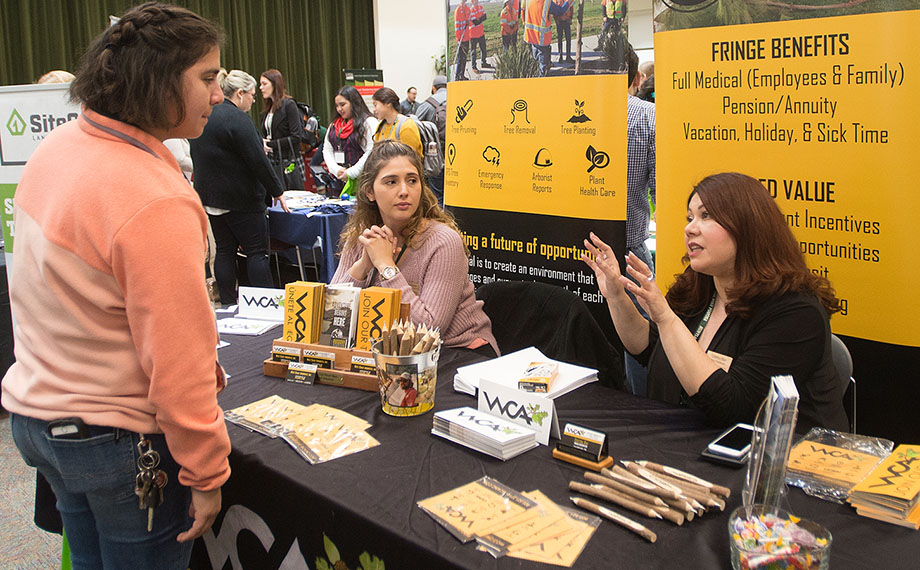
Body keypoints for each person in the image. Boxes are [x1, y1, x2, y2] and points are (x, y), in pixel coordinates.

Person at [1, 3, 232, 568]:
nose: (218, 96)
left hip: (40, 420)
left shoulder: (56, 149)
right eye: (206, 78)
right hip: (116, 442)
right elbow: (178, 360)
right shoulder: (153, 196)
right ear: (157, 80)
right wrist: (206, 470)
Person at [582, 173, 849, 433]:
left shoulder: (796, 312)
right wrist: (616, 296)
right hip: (691, 448)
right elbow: (650, 350)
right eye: (689, 217)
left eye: (706, 215)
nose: (689, 228)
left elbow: (734, 409)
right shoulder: (700, 287)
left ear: (747, 225)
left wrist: (665, 316)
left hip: (783, 466)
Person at [330, 140, 498, 357]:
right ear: (369, 192)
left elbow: (430, 330)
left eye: (412, 180)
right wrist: (363, 265)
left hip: (457, 351)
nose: (404, 191)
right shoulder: (362, 236)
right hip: (393, 352)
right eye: (391, 182)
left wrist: (386, 266)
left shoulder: (443, 241)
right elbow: (333, 315)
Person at [190, 69, 289, 305]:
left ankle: (227, 302)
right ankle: (267, 305)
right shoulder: (238, 119)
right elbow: (257, 160)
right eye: (252, 95)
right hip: (241, 199)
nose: (254, 100)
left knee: (224, 251)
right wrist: (277, 191)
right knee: (256, 253)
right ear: (240, 93)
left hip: (211, 198)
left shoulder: (206, 114)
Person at [622, 43, 657, 396]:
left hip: (563, 251)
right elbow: (662, 190)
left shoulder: (563, 112)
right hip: (627, 254)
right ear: (636, 78)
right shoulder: (647, 117)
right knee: (642, 346)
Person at [322, 85, 377, 195]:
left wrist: (352, 172)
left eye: (343, 105)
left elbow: (371, 151)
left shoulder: (369, 122)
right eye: (337, 106)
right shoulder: (334, 125)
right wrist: (336, 170)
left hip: (362, 182)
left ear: (354, 103)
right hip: (338, 180)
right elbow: (327, 150)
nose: (339, 109)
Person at [259, 68, 306, 190]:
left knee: (293, 195)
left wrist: (269, 143)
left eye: (264, 84)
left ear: (275, 84)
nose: (261, 88)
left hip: (288, 159)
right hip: (271, 159)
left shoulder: (289, 105)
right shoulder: (267, 109)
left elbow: (296, 136)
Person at [415, 76, 448, 204]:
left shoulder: (427, 105)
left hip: (435, 161)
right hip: (458, 159)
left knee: (436, 198)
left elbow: (415, 129)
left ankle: (440, 222)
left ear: (434, 89)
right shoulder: (459, 101)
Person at [372, 87, 424, 159]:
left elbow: (412, 159)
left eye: (375, 105)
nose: (374, 110)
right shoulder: (381, 126)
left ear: (387, 103)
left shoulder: (407, 126)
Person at [524, 0, 571, 77]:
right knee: (543, 67)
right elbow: (560, 11)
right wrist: (568, 2)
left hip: (531, 36)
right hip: (541, 39)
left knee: (536, 62)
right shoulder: (546, 2)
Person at [469, 0, 491, 72]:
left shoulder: (480, 7)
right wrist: (480, 18)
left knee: (483, 48)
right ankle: (474, 67)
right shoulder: (471, 10)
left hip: (481, 32)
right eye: (474, 1)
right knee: (473, 51)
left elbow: (485, 17)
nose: (476, 1)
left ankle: (483, 63)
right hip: (473, 34)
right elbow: (475, 22)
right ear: (471, 2)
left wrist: (479, 19)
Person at [454, 0, 473, 81]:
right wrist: (458, 39)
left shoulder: (468, 9)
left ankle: (462, 75)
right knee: (460, 59)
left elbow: (471, 22)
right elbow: (457, 26)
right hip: (461, 38)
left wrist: (469, 22)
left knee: (464, 58)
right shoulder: (458, 10)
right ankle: (457, 77)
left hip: (466, 37)